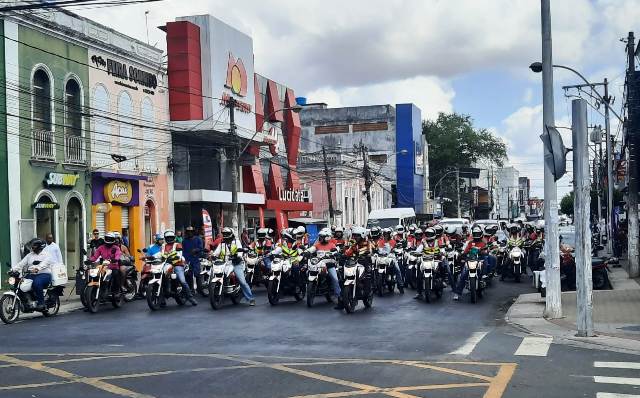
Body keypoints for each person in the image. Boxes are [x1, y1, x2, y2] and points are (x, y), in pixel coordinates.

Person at [213, 227, 255, 306]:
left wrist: (238, 256)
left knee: (242, 281)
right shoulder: (222, 243)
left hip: (236, 263)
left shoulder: (236, 241)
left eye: (227, 234)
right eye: (224, 234)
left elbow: (240, 250)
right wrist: (213, 255)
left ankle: (251, 299)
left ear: (231, 234)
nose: (225, 235)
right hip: (224, 263)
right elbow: (216, 252)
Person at [11, 239, 53, 311]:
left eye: (34, 246)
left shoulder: (46, 254)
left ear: (39, 246)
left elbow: (45, 263)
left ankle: (41, 303)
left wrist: (38, 268)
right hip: (31, 274)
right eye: (32, 246)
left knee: (36, 283)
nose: (32, 247)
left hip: (44, 274)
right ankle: (26, 301)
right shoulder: (29, 255)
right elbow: (21, 264)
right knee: (19, 282)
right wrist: (12, 270)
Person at [452, 226, 488, 301]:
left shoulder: (483, 243)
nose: (477, 235)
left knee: (485, 260)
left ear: (481, 234)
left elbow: (486, 251)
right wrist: (462, 255)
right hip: (470, 261)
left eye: (478, 233)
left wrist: (483, 252)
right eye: (475, 233)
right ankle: (457, 293)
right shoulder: (470, 243)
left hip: (479, 260)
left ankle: (483, 275)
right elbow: (465, 251)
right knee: (463, 275)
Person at [162, 230, 197, 306]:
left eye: (171, 237)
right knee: (161, 277)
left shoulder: (177, 245)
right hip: (166, 264)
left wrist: (174, 257)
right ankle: (162, 299)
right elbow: (159, 254)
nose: (169, 239)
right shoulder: (163, 246)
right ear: (165, 238)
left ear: (174, 237)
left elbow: (179, 254)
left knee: (182, 280)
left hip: (178, 264)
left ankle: (190, 297)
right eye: (168, 238)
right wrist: (152, 257)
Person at [414, 227, 450, 300]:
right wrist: (416, 252)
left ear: (433, 234)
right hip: (425, 259)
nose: (429, 235)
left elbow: (442, 248)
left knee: (443, 265)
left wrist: (442, 252)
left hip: (436, 259)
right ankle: (419, 292)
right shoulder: (423, 241)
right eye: (427, 234)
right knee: (419, 274)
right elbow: (419, 249)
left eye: (430, 234)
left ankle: (443, 280)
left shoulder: (437, 241)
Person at [311, 228, 342, 309]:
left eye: (322, 236)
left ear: (327, 237)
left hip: (330, 265)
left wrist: (335, 253)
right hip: (319, 264)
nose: (320, 238)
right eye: (320, 236)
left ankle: (340, 299)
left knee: (335, 279)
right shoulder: (317, 244)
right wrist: (306, 251)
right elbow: (312, 249)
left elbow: (335, 251)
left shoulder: (332, 245)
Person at [90, 232, 123, 296]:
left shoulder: (116, 248)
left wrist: (115, 259)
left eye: (110, 239)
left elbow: (118, 254)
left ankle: (116, 291)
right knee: (96, 275)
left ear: (113, 239)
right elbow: (95, 256)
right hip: (103, 267)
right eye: (107, 238)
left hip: (113, 266)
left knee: (115, 274)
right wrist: (89, 260)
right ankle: (99, 289)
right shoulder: (101, 248)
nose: (108, 240)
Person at [375, 227, 404, 294]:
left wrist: (394, 250)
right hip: (382, 257)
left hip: (391, 257)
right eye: (385, 234)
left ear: (389, 234)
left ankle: (400, 285)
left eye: (387, 234)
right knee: (374, 267)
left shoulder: (392, 241)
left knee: (397, 269)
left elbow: (392, 248)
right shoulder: (381, 241)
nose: (386, 235)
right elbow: (379, 248)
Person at [182, 226, 204, 294]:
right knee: (189, 275)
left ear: (193, 232)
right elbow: (183, 251)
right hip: (187, 260)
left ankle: (200, 289)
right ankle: (191, 289)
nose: (189, 233)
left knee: (197, 274)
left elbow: (201, 248)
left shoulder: (198, 239)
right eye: (188, 232)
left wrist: (196, 250)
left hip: (196, 259)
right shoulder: (184, 241)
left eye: (191, 232)